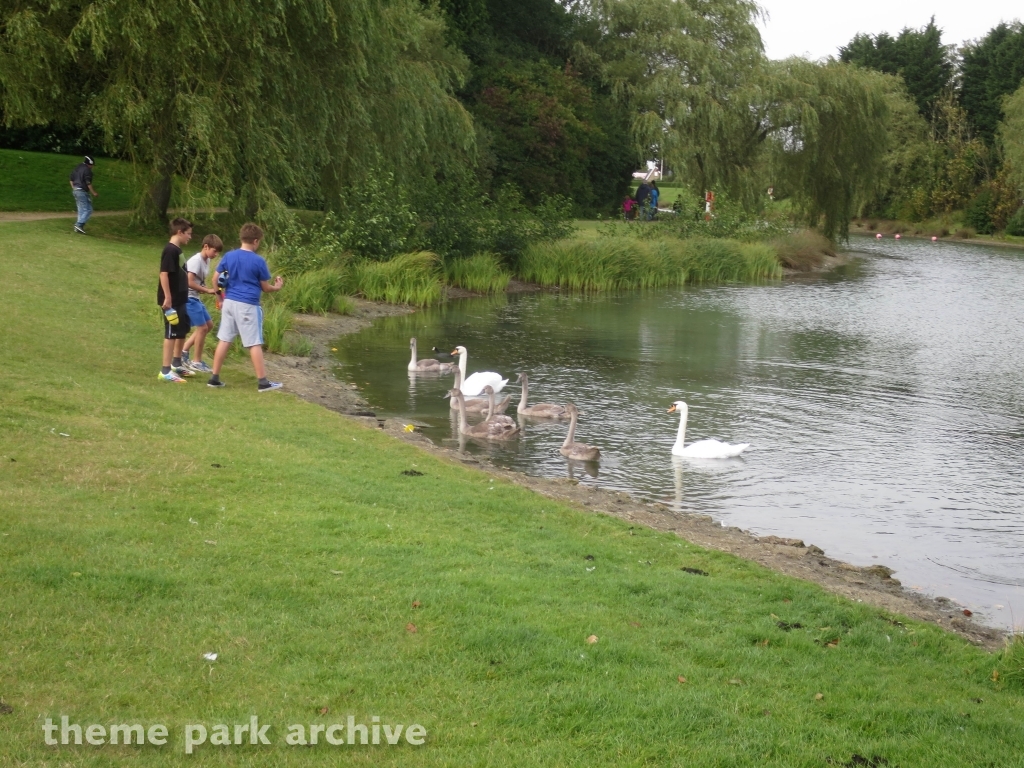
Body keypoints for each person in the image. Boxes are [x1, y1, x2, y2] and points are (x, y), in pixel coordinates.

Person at [207, 223, 285, 392]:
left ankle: (214, 378)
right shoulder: (258, 261)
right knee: (254, 342)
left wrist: (220, 298)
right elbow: (265, 287)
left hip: (229, 302)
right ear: (256, 241)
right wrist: (277, 287)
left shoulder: (229, 256)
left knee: (225, 339)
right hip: (248, 304)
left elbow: (214, 280)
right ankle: (263, 382)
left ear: (242, 238)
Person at [157, 218, 195, 383]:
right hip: (171, 300)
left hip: (180, 298)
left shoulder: (177, 250)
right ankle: (165, 372)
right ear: (179, 232)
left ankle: (176, 364)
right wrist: (168, 297)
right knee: (171, 333)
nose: (190, 237)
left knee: (182, 328)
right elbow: (163, 274)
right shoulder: (170, 250)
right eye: (188, 234)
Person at [180, 234, 224, 374]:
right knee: (202, 328)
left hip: (195, 297)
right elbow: (189, 281)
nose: (216, 254)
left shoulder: (206, 260)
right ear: (206, 247)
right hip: (188, 297)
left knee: (209, 325)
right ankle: (196, 361)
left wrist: (218, 294)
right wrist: (207, 290)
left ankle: (183, 351)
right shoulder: (196, 261)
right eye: (214, 251)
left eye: (218, 252)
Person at [69, 156, 98, 234]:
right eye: (92, 165)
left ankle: (78, 228)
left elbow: (71, 179)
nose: (92, 167)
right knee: (88, 209)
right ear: (90, 164)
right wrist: (94, 192)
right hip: (82, 191)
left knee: (81, 210)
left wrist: (74, 188)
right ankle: (78, 224)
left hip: (75, 190)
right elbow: (88, 183)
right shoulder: (87, 171)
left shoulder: (78, 167)